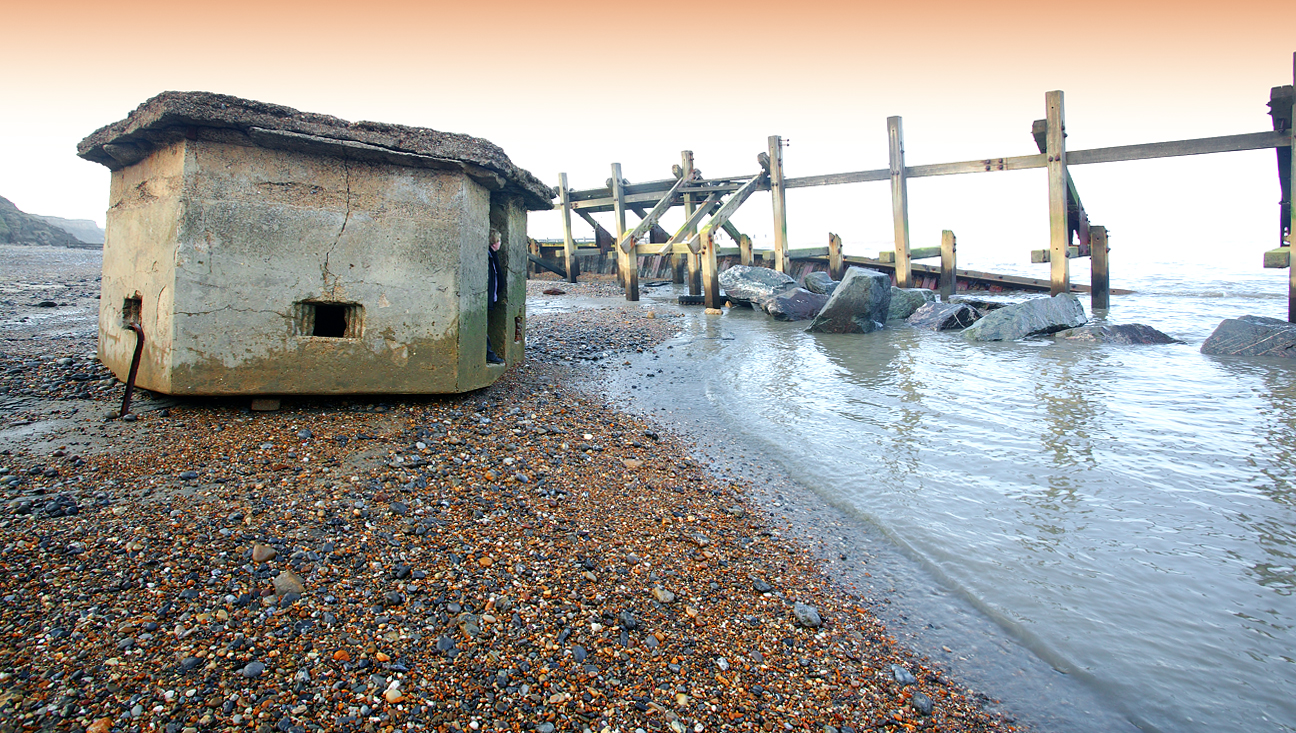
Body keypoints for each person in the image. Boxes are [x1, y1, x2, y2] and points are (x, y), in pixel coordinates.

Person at [486, 229, 505, 364]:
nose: (500, 243)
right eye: (499, 240)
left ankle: (489, 354)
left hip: (489, 298)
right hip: (485, 299)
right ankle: (489, 355)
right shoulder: (488, 256)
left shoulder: (492, 255)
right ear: (494, 242)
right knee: (483, 327)